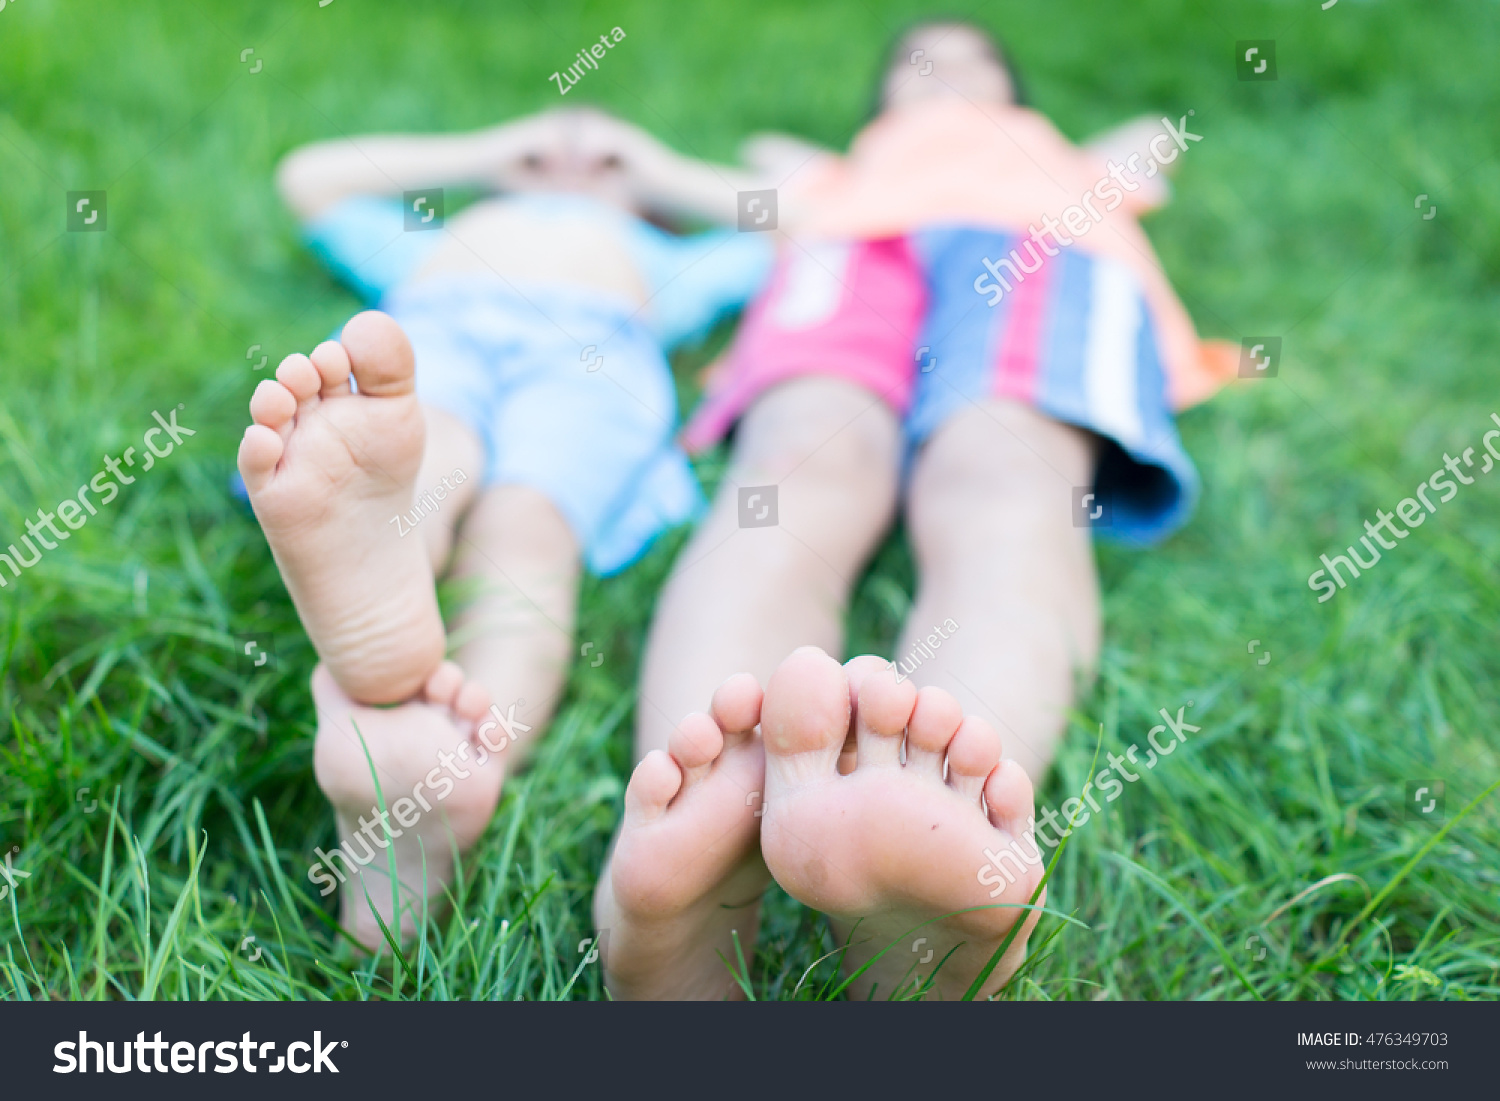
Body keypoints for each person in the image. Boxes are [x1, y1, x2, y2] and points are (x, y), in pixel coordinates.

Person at [595, 20, 1236, 999]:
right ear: (879, 105)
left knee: (1005, 477)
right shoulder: (834, 172)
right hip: (850, 247)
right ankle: (702, 835)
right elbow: (742, 181)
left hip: (1041, 243)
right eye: (915, 67)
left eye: (978, 65)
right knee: (796, 470)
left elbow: (1153, 138)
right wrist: (642, 160)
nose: (947, 77)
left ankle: (934, 838)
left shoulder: (1058, 159)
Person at [238, 107, 772, 945]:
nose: (573, 160)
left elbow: (800, 222)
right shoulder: (450, 233)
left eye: (602, 162)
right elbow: (308, 178)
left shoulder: (664, 255)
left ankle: (441, 764)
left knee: (525, 527)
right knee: (433, 463)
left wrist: (649, 168)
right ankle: (405, 619)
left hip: (593, 350)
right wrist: (488, 158)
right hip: (438, 333)